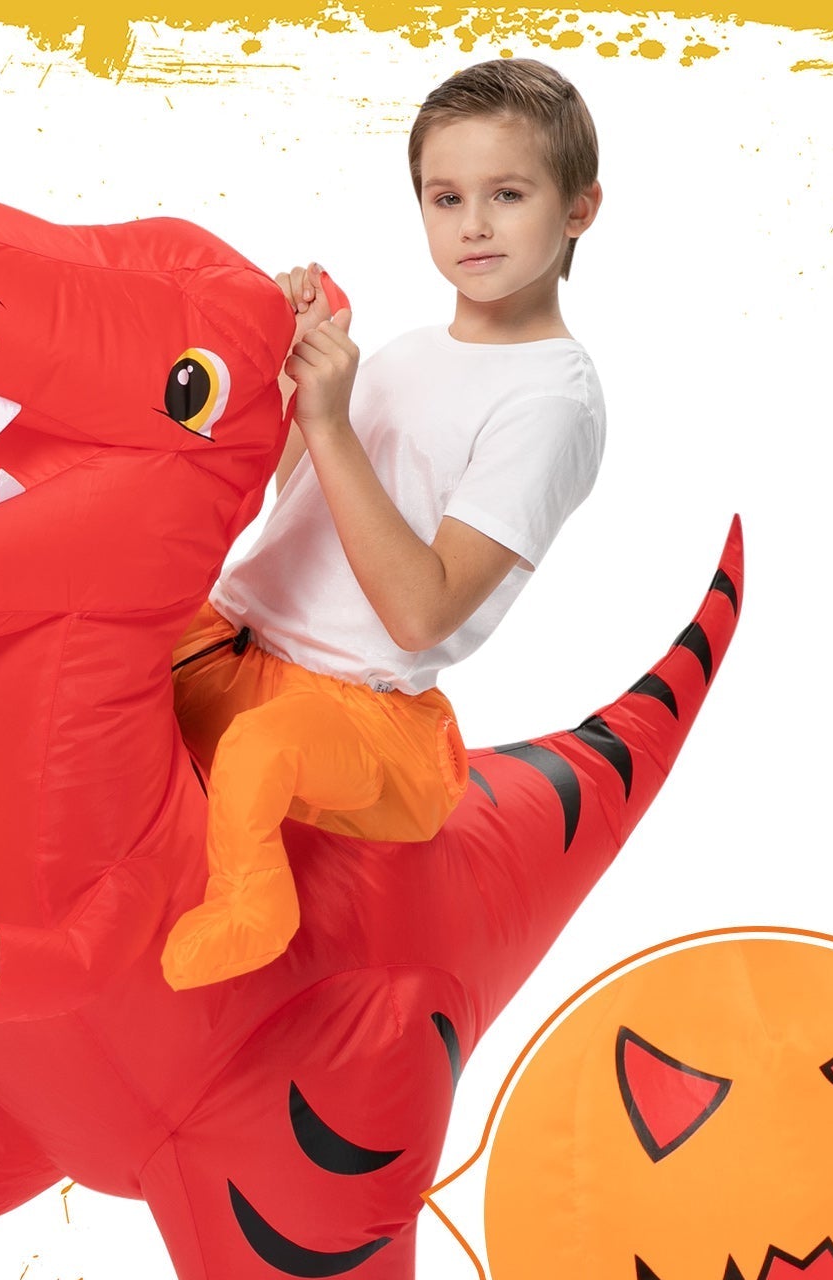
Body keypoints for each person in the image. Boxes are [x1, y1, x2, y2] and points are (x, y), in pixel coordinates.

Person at [161, 56, 607, 991]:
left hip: (351, 711)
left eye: (508, 194)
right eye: (446, 198)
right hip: (225, 644)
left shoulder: (551, 401)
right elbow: (287, 495)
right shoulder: (407, 353)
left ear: (579, 209)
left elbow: (419, 613)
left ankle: (252, 904)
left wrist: (331, 421)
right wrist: (289, 369)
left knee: (259, 752)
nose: (473, 224)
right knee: (84, 651)